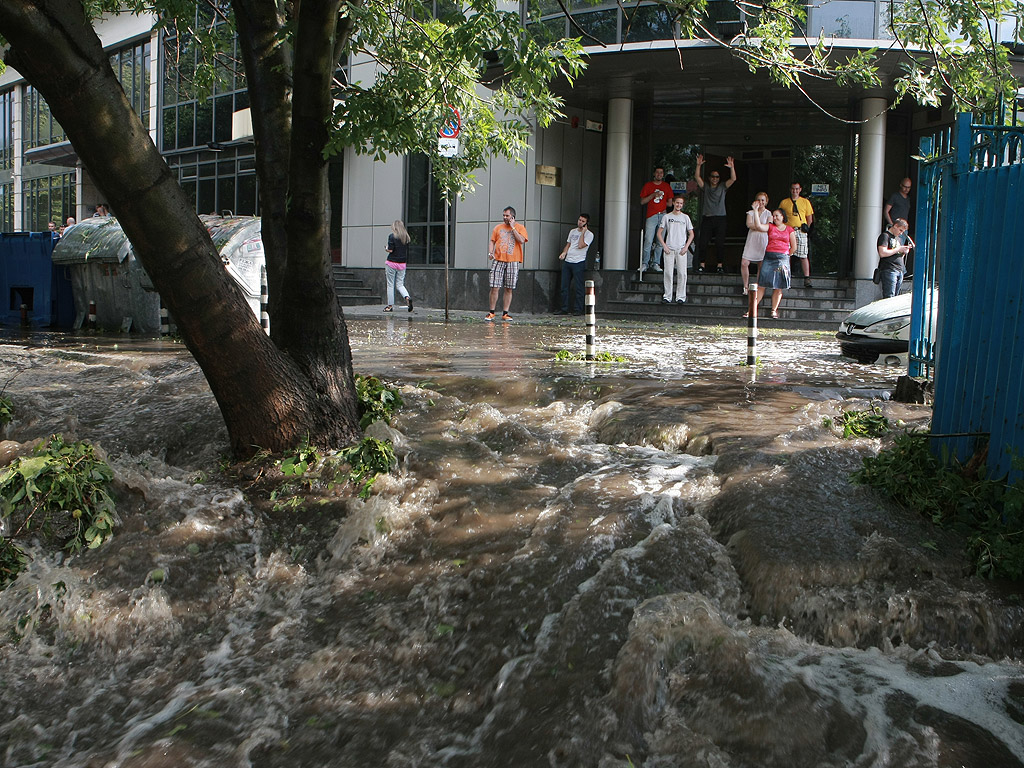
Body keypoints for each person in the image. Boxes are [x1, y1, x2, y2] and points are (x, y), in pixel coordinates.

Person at [749, 204, 797, 319]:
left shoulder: (789, 229)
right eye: (773, 216)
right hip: (769, 257)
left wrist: (785, 255)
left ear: (782, 216)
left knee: (778, 285)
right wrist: (755, 211)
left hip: (782, 258)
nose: (774, 218)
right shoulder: (770, 227)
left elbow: (794, 247)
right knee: (761, 284)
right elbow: (758, 226)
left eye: (777, 216)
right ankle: (752, 309)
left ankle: (774, 310)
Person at [694, 154, 736, 273]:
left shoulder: (723, 186)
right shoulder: (706, 187)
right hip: (707, 218)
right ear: (709, 178)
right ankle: (702, 264)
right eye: (713, 176)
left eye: (717, 177)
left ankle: (719, 265)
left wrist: (732, 167)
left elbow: (733, 179)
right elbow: (697, 177)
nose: (715, 178)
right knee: (703, 242)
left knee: (719, 243)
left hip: (720, 218)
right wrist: (698, 165)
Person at [486, 206, 528, 321]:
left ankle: (505, 313)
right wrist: (490, 252)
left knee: (509, 288)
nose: (505, 217)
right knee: (494, 286)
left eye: (507, 215)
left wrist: (513, 227)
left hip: (513, 260)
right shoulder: (498, 227)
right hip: (498, 259)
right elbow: (492, 241)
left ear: (512, 217)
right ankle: (491, 312)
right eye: (504, 215)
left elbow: (522, 240)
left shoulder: (520, 227)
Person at [656, 195, 694, 304]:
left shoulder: (685, 217)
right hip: (669, 249)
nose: (679, 205)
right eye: (677, 203)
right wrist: (664, 246)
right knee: (668, 273)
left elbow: (691, 233)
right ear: (673, 203)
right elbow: (659, 233)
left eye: (681, 203)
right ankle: (667, 296)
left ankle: (680, 297)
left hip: (681, 249)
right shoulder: (667, 217)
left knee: (682, 273)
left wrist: (686, 247)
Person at [556, 213, 594, 315]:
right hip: (568, 261)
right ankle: (564, 308)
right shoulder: (572, 231)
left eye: (583, 221)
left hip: (579, 261)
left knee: (578, 286)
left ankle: (578, 309)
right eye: (579, 220)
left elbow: (581, 245)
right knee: (564, 286)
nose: (580, 222)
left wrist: (583, 233)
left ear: (586, 224)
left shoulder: (589, 235)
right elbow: (568, 244)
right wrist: (564, 253)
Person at [638, 167, 673, 273]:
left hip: (663, 215)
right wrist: (653, 195)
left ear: (663, 175)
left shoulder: (666, 186)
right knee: (648, 239)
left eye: (661, 173)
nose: (659, 174)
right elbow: (642, 201)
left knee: (660, 241)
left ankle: (656, 263)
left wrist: (661, 205)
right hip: (651, 215)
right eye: (657, 172)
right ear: (654, 174)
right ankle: (645, 263)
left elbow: (670, 203)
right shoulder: (648, 186)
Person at [779, 182, 814, 288]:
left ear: (800, 190)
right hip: (788, 230)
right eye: (793, 189)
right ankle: (786, 275)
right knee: (787, 254)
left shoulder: (805, 202)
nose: (795, 191)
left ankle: (807, 278)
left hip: (800, 231)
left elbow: (810, 219)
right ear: (790, 190)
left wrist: (805, 228)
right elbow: (780, 216)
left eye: (797, 189)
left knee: (803, 255)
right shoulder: (784, 202)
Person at [740, 192, 770, 294]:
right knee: (744, 263)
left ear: (766, 201)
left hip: (762, 240)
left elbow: (768, 227)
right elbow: (749, 224)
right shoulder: (750, 212)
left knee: (761, 265)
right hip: (752, 240)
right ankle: (745, 286)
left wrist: (758, 226)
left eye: (763, 200)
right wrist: (760, 226)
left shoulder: (768, 213)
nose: (761, 202)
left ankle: (757, 286)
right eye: (759, 200)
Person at [876, 217, 913, 298]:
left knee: (895, 297)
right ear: (895, 226)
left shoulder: (898, 239)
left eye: (903, 231)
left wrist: (903, 251)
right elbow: (882, 253)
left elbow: (897, 254)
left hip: (899, 270)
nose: (901, 233)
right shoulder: (885, 236)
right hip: (889, 269)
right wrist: (899, 249)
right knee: (889, 296)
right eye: (900, 230)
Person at [383, 219, 413, 312]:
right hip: (402, 264)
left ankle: (390, 306)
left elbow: (391, 250)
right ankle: (407, 297)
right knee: (400, 284)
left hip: (392, 263)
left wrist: (386, 248)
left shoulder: (392, 236)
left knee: (390, 285)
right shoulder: (406, 237)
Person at [884, 177, 913, 244]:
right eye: (905, 187)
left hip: (904, 229)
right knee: (894, 248)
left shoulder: (908, 199)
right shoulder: (895, 196)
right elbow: (886, 211)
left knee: (900, 250)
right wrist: (892, 225)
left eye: (909, 187)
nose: (906, 189)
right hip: (895, 228)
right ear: (901, 185)